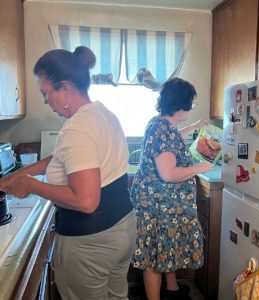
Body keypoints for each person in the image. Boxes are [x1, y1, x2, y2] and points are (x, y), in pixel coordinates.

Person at [0, 46, 136, 300]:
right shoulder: (103, 114)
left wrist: (30, 185)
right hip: (122, 229)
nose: (45, 101)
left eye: (45, 93)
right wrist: (18, 176)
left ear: (64, 88)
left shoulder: (77, 128)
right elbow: (63, 157)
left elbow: (86, 201)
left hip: (91, 242)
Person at [130, 77, 214, 300]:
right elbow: (168, 174)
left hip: (159, 203)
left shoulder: (160, 123)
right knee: (156, 254)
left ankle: (172, 288)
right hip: (158, 205)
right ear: (182, 104)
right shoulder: (164, 130)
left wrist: (193, 128)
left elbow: (172, 138)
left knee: (166, 247)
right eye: (192, 103)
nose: (192, 107)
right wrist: (199, 167)